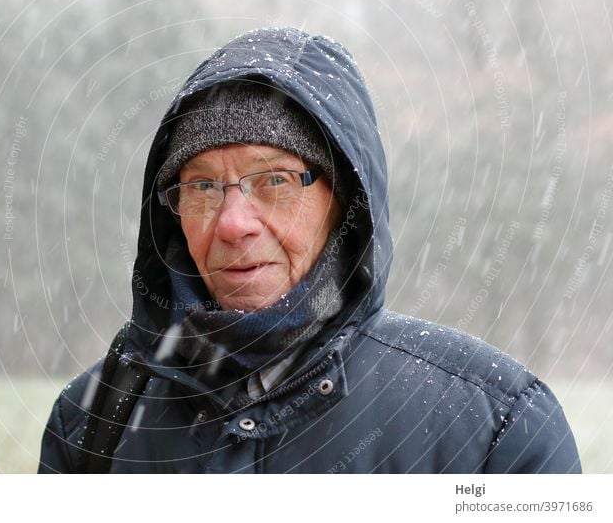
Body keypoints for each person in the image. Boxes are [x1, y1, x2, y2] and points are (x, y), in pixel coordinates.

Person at [38, 27, 581, 473]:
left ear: (344, 201)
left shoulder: (494, 428)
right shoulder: (94, 423)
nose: (232, 224)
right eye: (202, 186)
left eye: (273, 181)